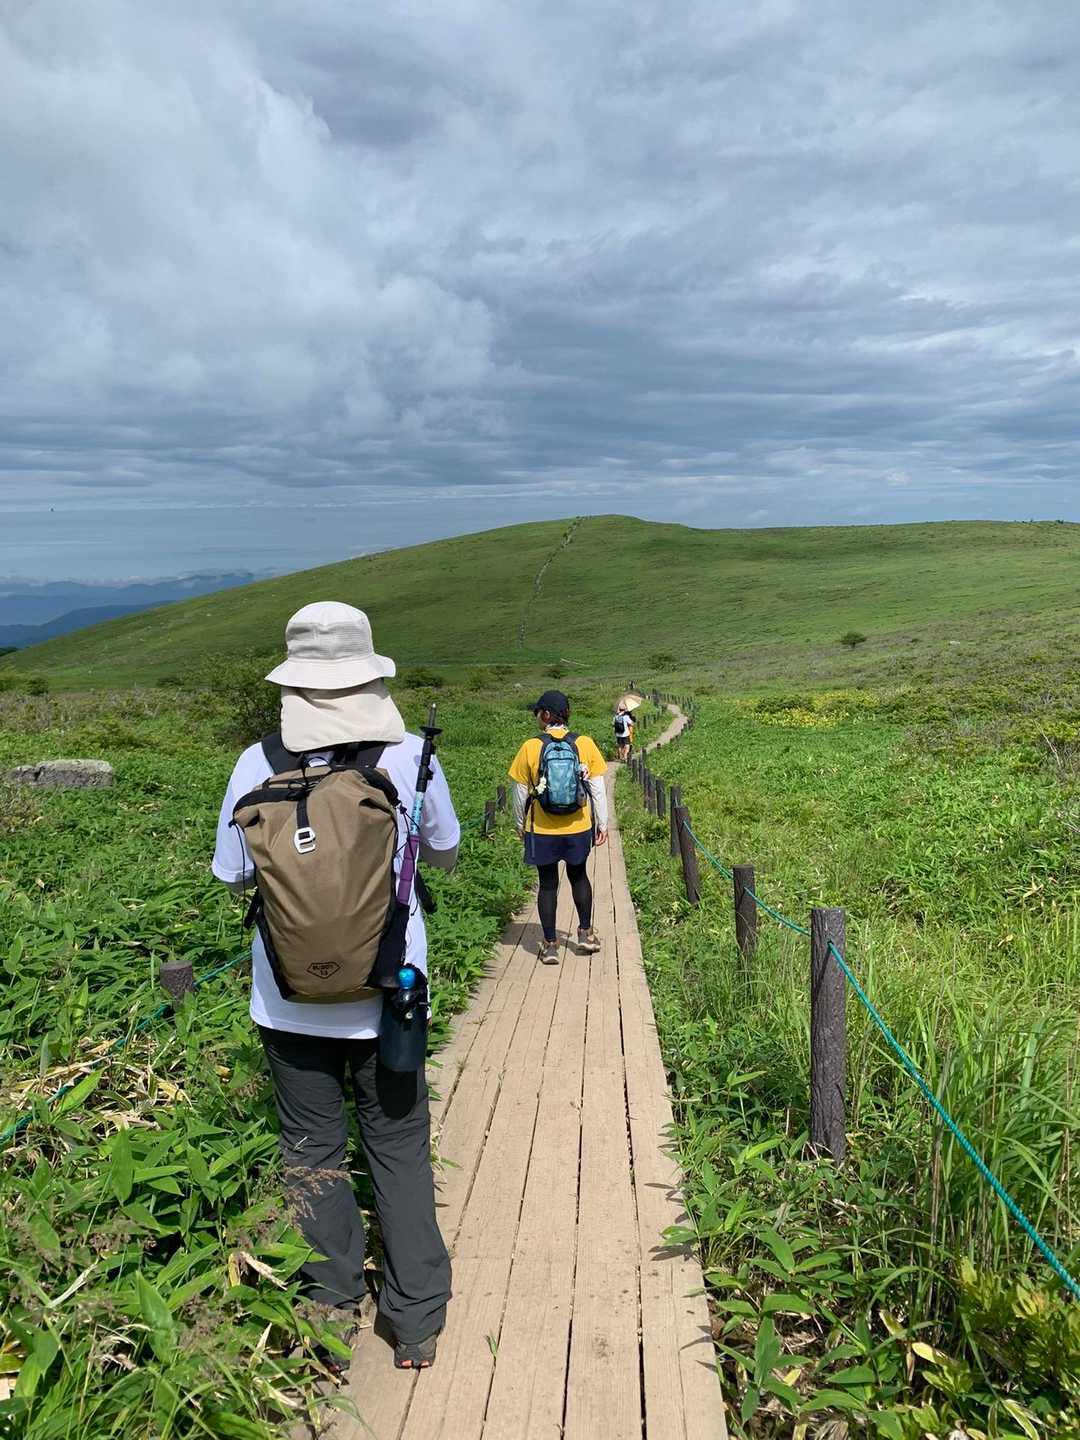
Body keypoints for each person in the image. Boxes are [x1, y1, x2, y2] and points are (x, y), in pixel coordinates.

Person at [211, 602, 457, 1373]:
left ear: (292, 680)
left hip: (286, 1001)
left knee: (311, 1154)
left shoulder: (256, 762)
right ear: (368, 671)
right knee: (399, 1149)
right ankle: (415, 1322)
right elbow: (445, 851)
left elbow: (233, 874)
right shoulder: (408, 753)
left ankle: (329, 1310)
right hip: (392, 994)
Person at [508, 689, 608, 964]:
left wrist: (520, 824)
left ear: (546, 715)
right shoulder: (584, 743)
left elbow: (520, 792)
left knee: (548, 883)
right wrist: (602, 823)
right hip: (578, 826)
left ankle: (550, 945)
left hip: (541, 829)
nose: (536, 716)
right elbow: (597, 789)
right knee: (579, 876)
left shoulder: (531, 746)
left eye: (537, 712)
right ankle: (585, 934)